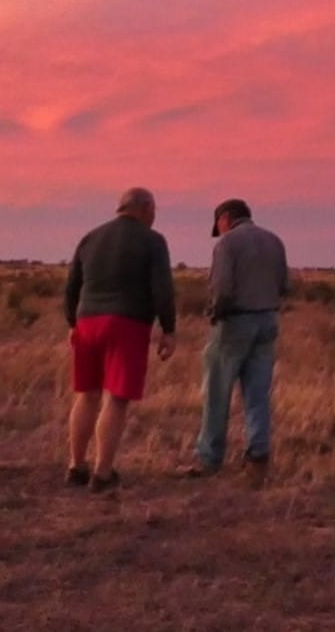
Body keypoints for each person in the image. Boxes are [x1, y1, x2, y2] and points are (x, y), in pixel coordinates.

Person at [63, 186, 177, 491]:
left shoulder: (91, 237)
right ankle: (102, 473)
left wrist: (73, 322)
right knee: (116, 398)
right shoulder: (153, 241)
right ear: (144, 208)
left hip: (87, 321)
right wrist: (168, 329)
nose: (154, 217)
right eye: (153, 210)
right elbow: (162, 289)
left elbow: (72, 285)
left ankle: (76, 466)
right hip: (127, 323)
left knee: (86, 394)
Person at [182, 198, 290, 484]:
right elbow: (283, 284)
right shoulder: (274, 241)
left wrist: (215, 313)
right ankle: (258, 457)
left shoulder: (227, 244)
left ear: (226, 218)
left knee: (217, 392)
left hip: (234, 322)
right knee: (257, 394)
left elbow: (222, 288)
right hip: (267, 319)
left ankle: (209, 458)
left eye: (218, 224)